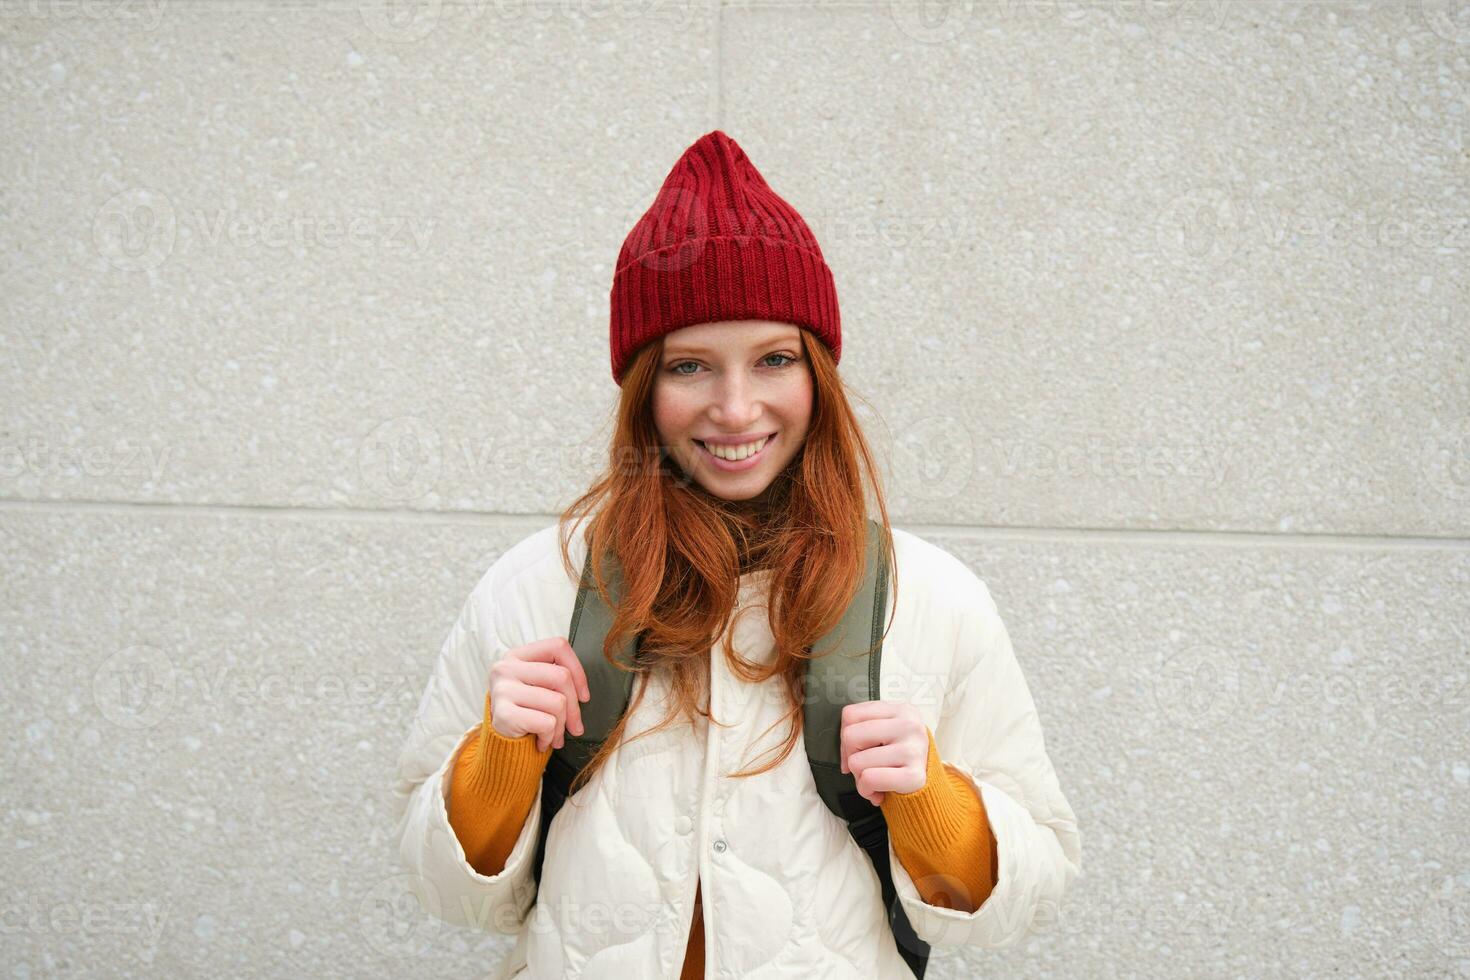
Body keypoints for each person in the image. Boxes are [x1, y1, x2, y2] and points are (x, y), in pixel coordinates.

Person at [392, 130, 1081, 979]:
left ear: (817, 375)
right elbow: (447, 895)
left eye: (774, 359)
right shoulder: (539, 586)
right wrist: (498, 760)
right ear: (643, 389)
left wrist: (933, 800)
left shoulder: (930, 598)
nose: (735, 407)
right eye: (690, 366)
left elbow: (1029, 896)